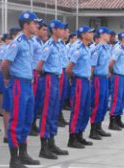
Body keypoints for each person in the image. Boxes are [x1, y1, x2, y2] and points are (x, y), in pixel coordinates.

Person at [0, 11, 41, 168]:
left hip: (28, 84)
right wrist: (7, 78)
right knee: (16, 120)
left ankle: (23, 153)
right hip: (18, 84)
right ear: (26, 25)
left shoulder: (30, 41)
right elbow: (5, 64)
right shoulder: (17, 42)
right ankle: (14, 158)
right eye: (34, 23)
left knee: (27, 119)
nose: (36, 26)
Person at [35, 19, 69, 159]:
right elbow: (39, 66)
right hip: (49, 79)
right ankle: (44, 147)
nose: (63, 31)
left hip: (57, 78)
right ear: (54, 30)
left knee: (55, 111)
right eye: (61, 29)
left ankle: (51, 142)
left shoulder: (60, 44)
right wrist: (46, 76)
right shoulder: (48, 45)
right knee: (47, 112)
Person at [66, 25, 94, 149]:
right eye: (89, 32)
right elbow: (69, 68)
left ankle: (80, 134)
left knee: (86, 110)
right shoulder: (78, 48)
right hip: (79, 82)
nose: (92, 34)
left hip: (86, 82)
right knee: (77, 109)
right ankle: (73, 137)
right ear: (83, 35)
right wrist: (73, 78)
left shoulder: (87, 48)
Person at [89, 26, 112, 139]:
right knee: (97, 104)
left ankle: (99, 126)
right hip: (98, 78)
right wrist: (90, 80)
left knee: (103, 104)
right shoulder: (97, 49)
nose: (109, 36)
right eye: (107, 34)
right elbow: (92, 67)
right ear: (102, 35)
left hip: (105, 78)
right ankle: (93, 130)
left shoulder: (107, 48)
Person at [108, 31, 124, 131]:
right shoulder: (118, 49)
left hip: (122, 76)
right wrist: (113, 73)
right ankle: (112, 121)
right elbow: (111, 64)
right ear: (123, 38)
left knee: (121, 99)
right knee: (116, 98)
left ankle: (118, 119)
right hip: (117, 76)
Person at [29, 19, 48, 136]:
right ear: (37, 30)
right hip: (34, 73)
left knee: (39, 101)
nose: (46, 32)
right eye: (44, 29)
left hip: (40, 74)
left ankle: (33, 123)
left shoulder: (41, 43)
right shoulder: (34, 43)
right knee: (34, 100)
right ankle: (30, 124)